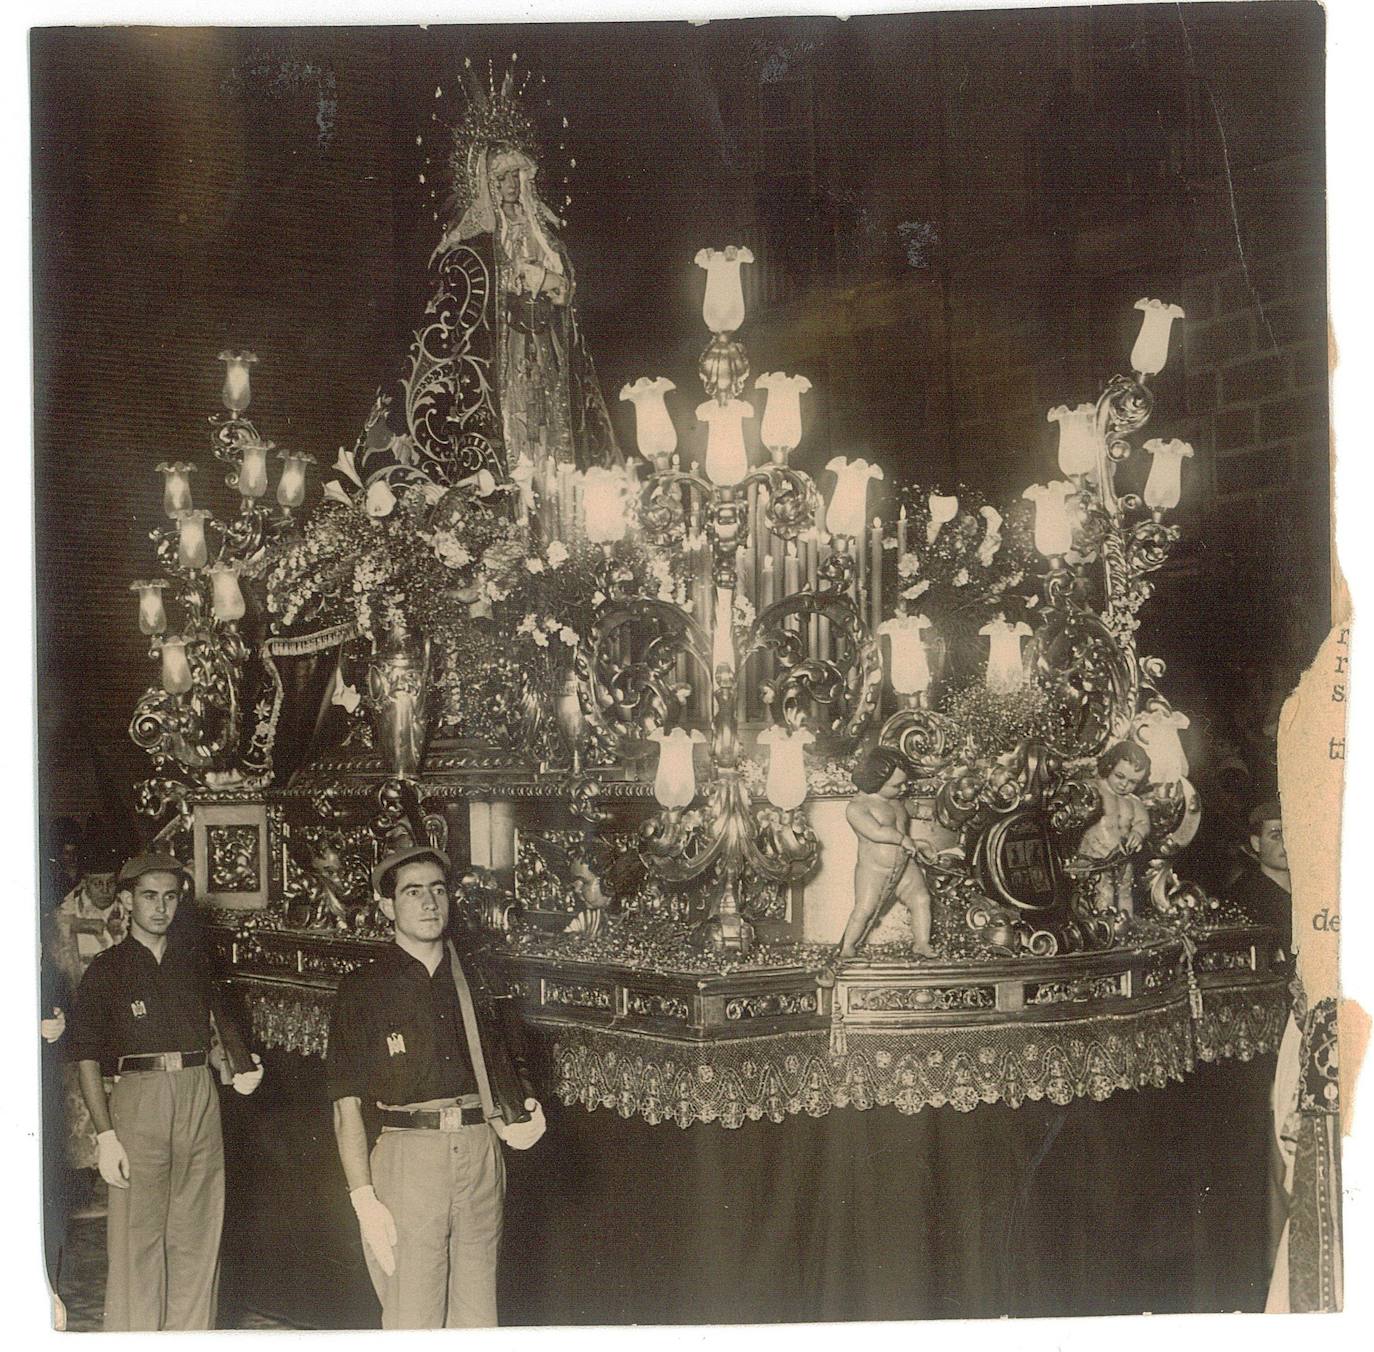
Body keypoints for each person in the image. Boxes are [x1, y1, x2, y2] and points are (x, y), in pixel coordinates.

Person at [326, 844, 546, 1329]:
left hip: (479, 1151)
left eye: (438, 890)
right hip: (409, 1158)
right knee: (413, 1316)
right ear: (387, 906)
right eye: (412, 892)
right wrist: (363, 1197)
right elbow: (346, 1106)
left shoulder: (480, 978)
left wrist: (528, 1104)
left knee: (477, 1314)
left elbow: (514, 1061)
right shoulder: (363, 989)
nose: (429, 903)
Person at [64, 853, 264, 1331]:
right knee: (139, 1238)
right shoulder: (107, 970)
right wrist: (106, 1134)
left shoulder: (193, 964)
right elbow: (87, 1057)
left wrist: (237, 1069)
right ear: (128, 901)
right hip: (140, 1097)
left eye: (171, 897)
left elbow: (215, 1038)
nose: (161, 907)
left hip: (198, 1096)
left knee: (198, 1236)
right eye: (150, 897)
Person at [838, 748, 935, 960]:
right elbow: (876, 831)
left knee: (921, 899)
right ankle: (847, 947)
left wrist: (928, 812)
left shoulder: (896, 801)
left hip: (904, 865)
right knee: (865, 909)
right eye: (896, 785)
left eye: (904, 784)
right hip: (874, 870)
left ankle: (922, 943)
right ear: (875, 780)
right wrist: (902, 839)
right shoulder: (858, 808)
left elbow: (914, 809)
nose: (902, 789)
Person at [1075, 740, 1153, 914]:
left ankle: (1126, 925)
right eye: (1120, 776)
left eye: (1133, 781)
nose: (1124, 784)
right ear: (1109, 766)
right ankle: (1104, 929)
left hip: (1122, 858)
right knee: (1103, 893)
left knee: (1125, 893)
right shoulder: (1095, 788)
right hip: (1095, 858)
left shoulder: (1133, 801)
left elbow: (1143, 822)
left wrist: (1138, 833)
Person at [1227, 799, 1293, 967]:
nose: (1286, 844)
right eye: (1276, 836)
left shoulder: (1316, 890)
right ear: (1256, 843)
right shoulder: (1241, 898)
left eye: (1292, 835)